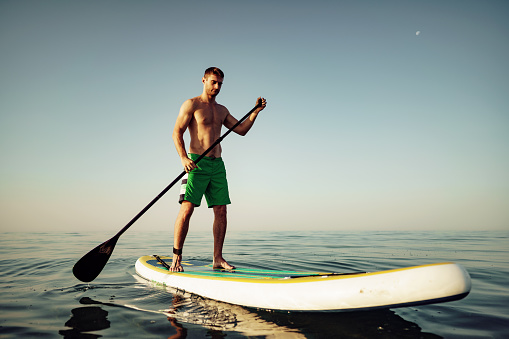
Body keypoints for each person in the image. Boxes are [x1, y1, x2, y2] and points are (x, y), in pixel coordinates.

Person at [170, 67, 267, 272]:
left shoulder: (222, 110)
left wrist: (255, 112)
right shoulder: (192, 104)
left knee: (221, 210)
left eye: (220, 83)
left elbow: (241, 130)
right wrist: (183, 158)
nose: (217, 87)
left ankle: (217, 258)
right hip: (196, 162)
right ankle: (176, 257)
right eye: (213, 82)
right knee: (187, 209)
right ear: (203, 80)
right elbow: (176, 132)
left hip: (217, 165)